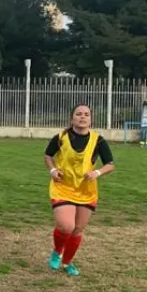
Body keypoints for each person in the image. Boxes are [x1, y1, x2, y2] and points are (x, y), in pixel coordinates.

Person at [45, 103, 115, 276]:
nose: (82, 117)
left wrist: (97, 172)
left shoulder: (98, 140)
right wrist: (53, 170)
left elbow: (110, 165)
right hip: (63, 187)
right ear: (72, 118)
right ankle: (57, 251)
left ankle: (68, 262)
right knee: (66, 226)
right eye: (78, 114)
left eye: (86, 114)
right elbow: (48, 155)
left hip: (86, 191)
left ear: (90, 119)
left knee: (77, 229)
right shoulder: (61, 137)